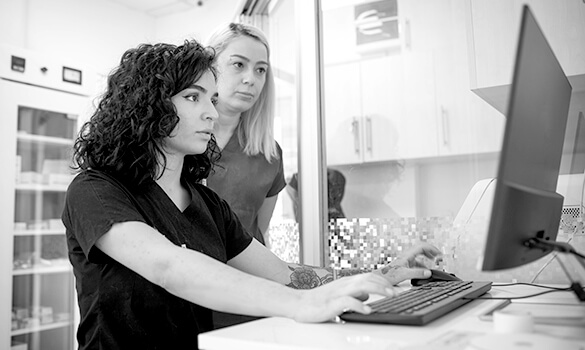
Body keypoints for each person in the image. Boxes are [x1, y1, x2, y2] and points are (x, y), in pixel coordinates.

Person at [62, 39, 441, 350]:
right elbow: (169, 267)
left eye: (211, 99)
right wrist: (301, 305)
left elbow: (284, 274)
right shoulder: (97, 190)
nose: (211, 112)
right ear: (148, 104)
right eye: (193, 97)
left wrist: (382, 274)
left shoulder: (207, 203)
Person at [205, 22, 285, 248]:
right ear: (209, 65)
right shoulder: (177, 140)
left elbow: (257, 234)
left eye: (260, 69)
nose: (251, 79)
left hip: (248, 276)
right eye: (238, 64)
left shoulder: (269, 153)